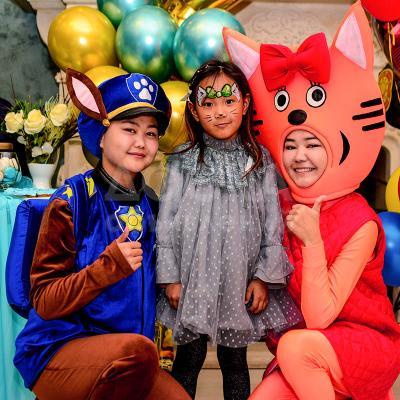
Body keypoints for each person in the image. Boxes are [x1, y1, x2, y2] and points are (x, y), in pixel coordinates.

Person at [223, 2, 400, 399]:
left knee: (295, 347)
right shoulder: (277, 204)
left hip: (363, 343)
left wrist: (313, 241)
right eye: (291, 145)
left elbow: (321, 316)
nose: (300, 157)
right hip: (304, 348)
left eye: (313, 144)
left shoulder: (361, 221)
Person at [13, 69, 190, 400]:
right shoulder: (73, 200)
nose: (141, 142)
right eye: (129, 129)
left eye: (151, 133)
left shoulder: (153, 205)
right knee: (138, 351)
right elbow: (46, 302)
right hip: (59, 348)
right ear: (102, 135)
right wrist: (107, 268)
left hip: (130, 358)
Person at [156, 60, 301, 400]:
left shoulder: (260, 161)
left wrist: (263, 277)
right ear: (194, 111)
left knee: (234, 361)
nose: (219, 112)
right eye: (208, 104)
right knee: (189, 359)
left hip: (240, 280)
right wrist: (171, 277)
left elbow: (272, 225)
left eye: (228, 101)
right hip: (193, 281)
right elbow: (166, 221)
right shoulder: (182, 161)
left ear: (245, 104)